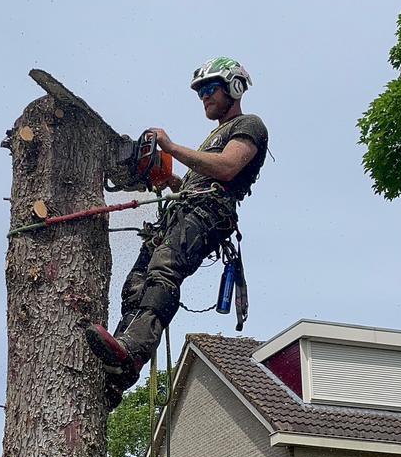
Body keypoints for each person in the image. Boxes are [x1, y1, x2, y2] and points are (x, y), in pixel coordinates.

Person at [85, 56, 268, 408]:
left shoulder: (249, 125)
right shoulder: (213, 136)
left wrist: (171, 148)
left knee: (162, 272)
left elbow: (228, 168)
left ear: (234, 87)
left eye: (210, 89)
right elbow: (203, 178)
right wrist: (174, 181)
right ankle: (119, 368)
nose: (204, 97)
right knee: (136, 282)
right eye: (200, 92)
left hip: (208, 214)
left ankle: (133, 349)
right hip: (185, 208)